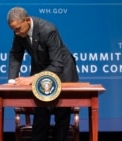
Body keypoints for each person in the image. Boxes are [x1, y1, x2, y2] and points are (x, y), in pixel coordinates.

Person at [6, 6, 79, 141]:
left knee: (61, 115)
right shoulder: (19, 33)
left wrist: (32, 79)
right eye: (13, 30)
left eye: (18, 29)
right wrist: (11, 80)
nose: (16, 33)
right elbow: (16, 54)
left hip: (62, 71)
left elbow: (57, 64)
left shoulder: (48, 30)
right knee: (40, 113)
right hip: (40, 68)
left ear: (27, 20)